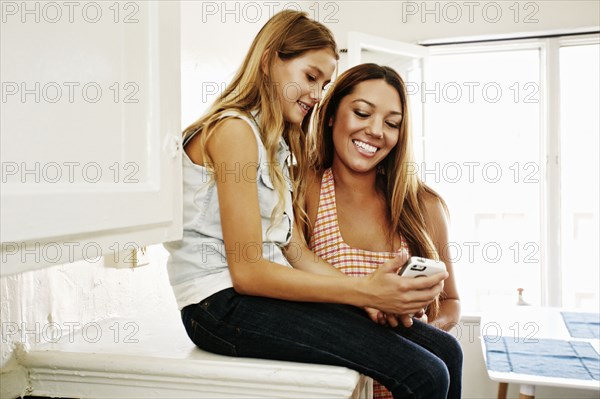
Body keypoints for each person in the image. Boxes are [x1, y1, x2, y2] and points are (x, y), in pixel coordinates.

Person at [165, 10, 458, 398]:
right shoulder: (233, 130)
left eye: (324, 83)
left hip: (249, 301)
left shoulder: (275, 146)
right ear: (269, 61)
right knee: (425, 373)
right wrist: (365, 294)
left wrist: (368, 292)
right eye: (309, 77)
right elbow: (249, 272)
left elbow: (297, 253)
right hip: (218, 308)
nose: (317, 95)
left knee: (446, 350)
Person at [301, 63, 462, 399]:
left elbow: (451, 301)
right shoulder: (305, 190)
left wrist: (421, 337)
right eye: (361, 113)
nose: (376, 131)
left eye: (392, 123)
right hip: (335, 387)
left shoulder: (423, 204)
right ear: (331, 115)